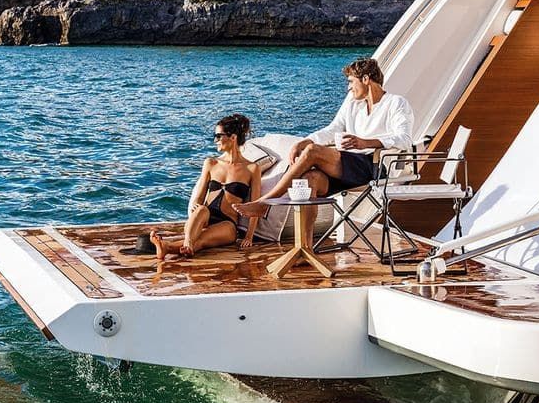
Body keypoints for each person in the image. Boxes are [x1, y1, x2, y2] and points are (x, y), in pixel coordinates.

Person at [237, 57, 413, 220]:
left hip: (373, 166)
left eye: (351, 82)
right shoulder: (353, 105)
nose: (348, 88)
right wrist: (305, 141)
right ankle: (305, 247)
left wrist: (365, 143)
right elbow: (333, 129)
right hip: (347, 166)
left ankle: (266, 203)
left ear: (366, 79)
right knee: (309, 180)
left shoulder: (395, 103)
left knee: (313, 151)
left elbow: (404, 139)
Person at [150, 114, 262, 260]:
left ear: (233, 137)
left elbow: (256, 206)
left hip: (228, 224)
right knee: (202, 209)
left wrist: (249, 237)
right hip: (205, 216)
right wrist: (195, 213)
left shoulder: (252, 169)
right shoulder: (211, 163)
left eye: (218, 136)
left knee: (202, 240)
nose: (215, 140)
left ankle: (168, 247)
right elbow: (199, 197)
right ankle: (186, 244)